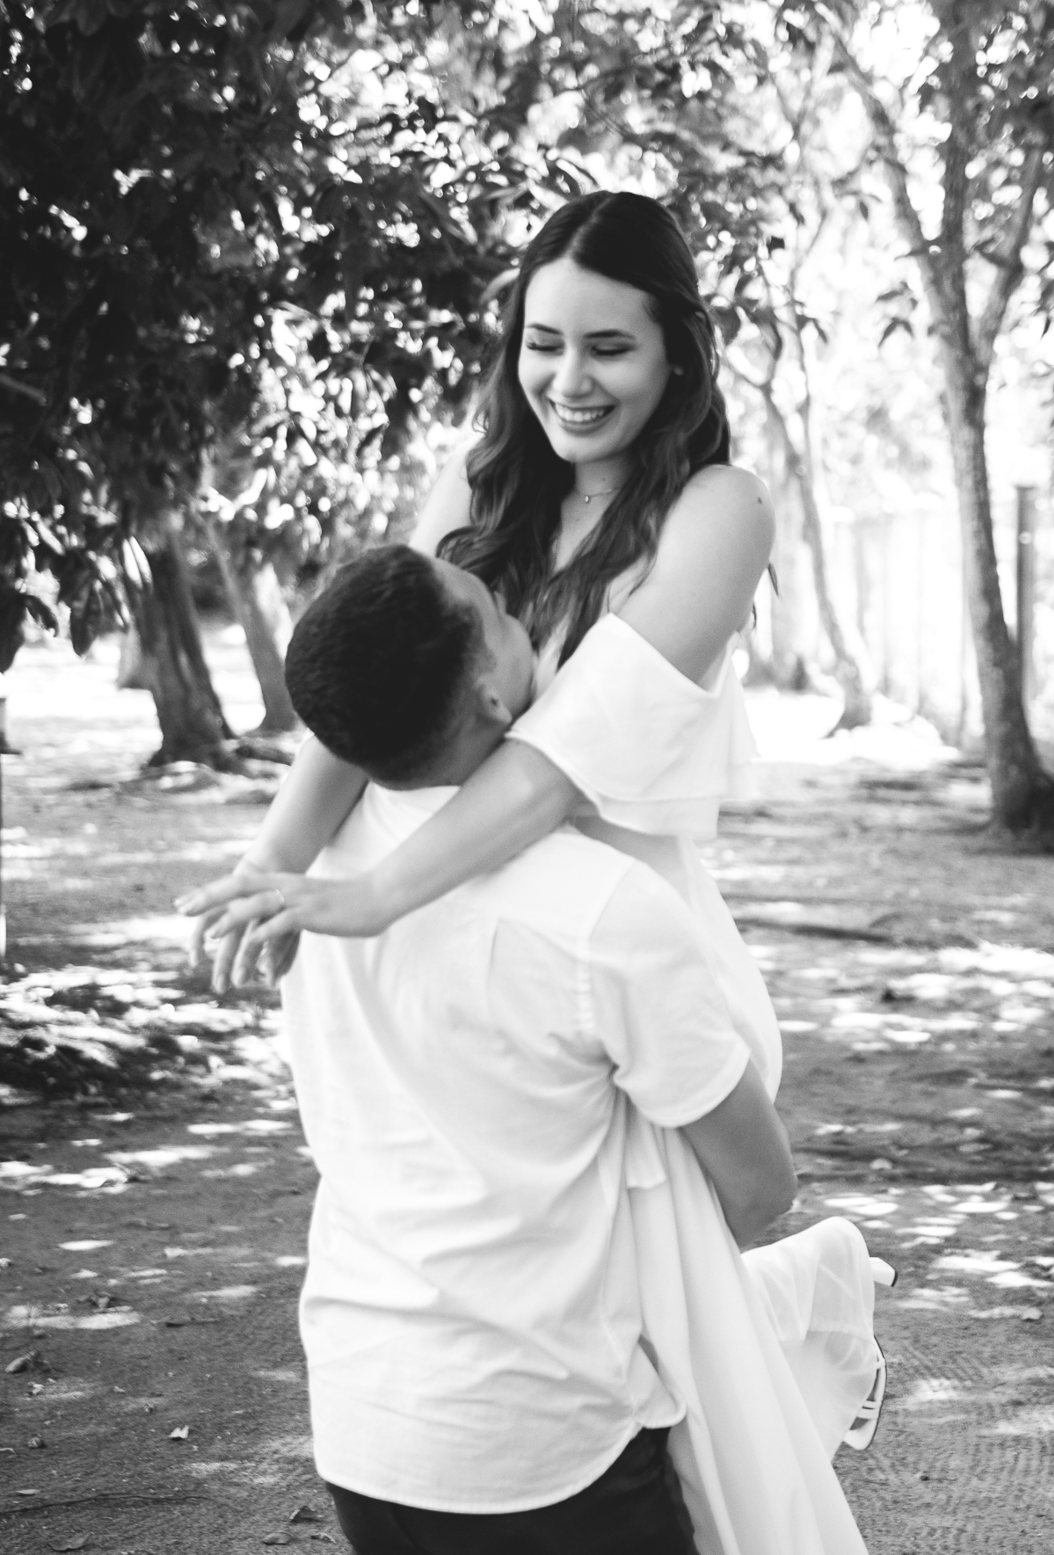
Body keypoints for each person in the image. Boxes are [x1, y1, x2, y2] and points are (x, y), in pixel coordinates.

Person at [181, 191, 882, 1554]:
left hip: (615, 941)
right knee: (535, 1280)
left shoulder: (719, 509)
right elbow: (366, 683)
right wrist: (269, 869)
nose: (569, 381)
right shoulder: (477, 482)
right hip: (481, 952)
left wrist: (374, 897)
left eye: (610, 347)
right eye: (543, 342)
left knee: (662, 1334)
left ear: (677, 350)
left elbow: (563, 758)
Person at [275, 540, 798, 1555]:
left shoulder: (310, 884)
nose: (528, 616)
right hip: (543, 1443)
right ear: (488, 691)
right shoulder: (602, 910)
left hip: (361, 1412)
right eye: (497, 609)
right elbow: (758, 1187)